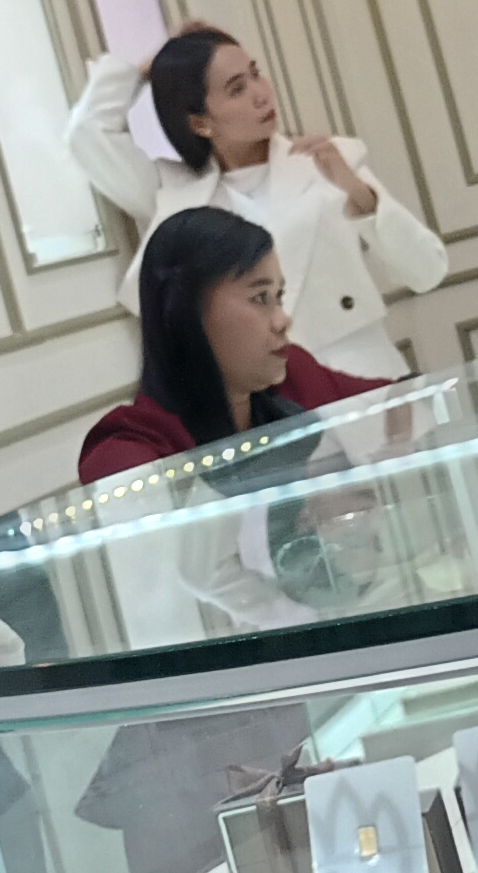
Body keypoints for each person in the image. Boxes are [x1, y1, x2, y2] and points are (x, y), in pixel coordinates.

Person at [81, 209, 398, 629]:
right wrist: (291, 618)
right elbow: (189, 572)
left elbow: (398, 398)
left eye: (279, 297)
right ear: (186, 312)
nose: (283, 320)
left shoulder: (291, 376)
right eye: (260, 298)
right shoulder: (131, 446)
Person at [70, 24, 444, 380]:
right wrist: (149, 69)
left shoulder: (330, 161)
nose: (261, 93)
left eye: (255, 74)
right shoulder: (177, 195)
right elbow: (87, 133)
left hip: (364, 381)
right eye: (236, 89)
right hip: (268, 400)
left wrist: (358, 193)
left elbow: (427, 271)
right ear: (200, 123)